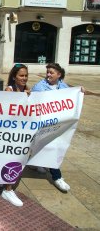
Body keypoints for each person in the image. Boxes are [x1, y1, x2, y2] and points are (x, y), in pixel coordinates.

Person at [31, 62, 76, 192]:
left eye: (51, 72)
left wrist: (79, 91)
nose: (48, 75)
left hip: (58, 124)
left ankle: (36, 163)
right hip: (44, 124)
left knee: (52, 147)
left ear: (59, 74)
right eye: (48, 72)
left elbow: (71, 97)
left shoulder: (63, 86)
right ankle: (57, 177)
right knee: (49, 147)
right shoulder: (40, 86)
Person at [1, 63, 30, 207]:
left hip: (23, 133)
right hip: (10, 133)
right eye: (21, 75)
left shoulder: (28, 91)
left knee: (19, 159)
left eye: (26, 75)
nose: (24, 78)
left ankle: (7, 187)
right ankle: (7, 189)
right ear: (14, 77)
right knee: (13, 159)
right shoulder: (9, 90)